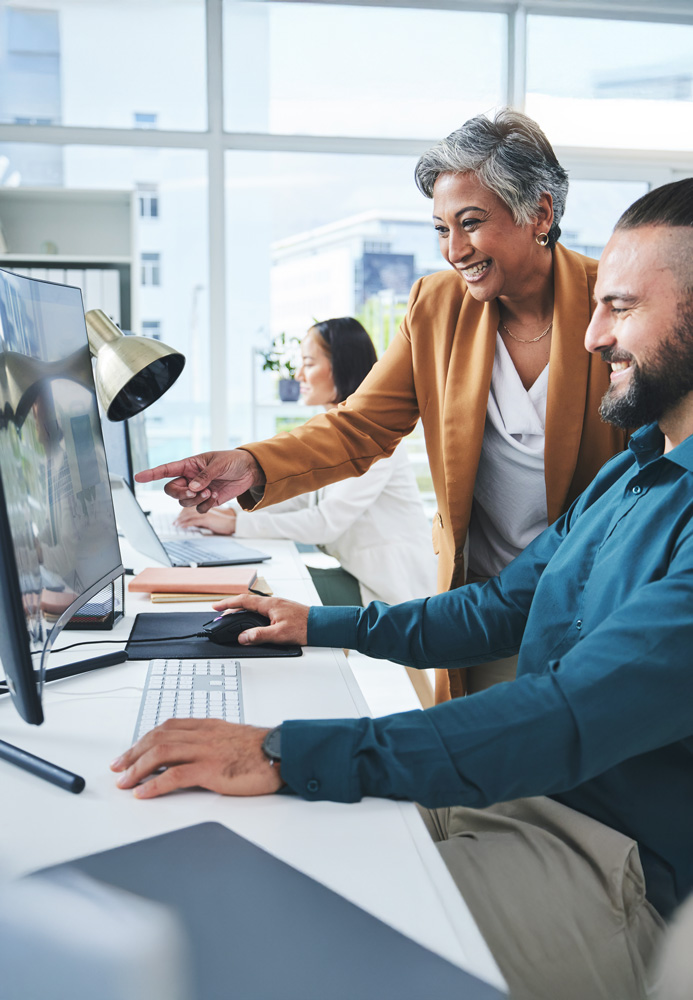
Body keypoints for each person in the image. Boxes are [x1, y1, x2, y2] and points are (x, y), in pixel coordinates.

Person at [113, 179, 693, 1000]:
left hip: (615, 858)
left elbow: (570, 713)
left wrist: (281, 749)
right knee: (248, 855)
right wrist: (318, 624)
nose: (592, 336)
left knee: (282, 954)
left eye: (622, 309)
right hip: (527, 796)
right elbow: (496, 607)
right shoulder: (629, 470)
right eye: (596, 306)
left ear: (538, 218)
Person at [135, 108, 627, 703]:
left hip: (597, 600)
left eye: (471, 223)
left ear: (540, 213)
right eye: (442, 229)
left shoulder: (616, 304)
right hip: (480, 602)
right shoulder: (437, 305)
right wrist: (250, 463)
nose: (455, 250)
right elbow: (361, 424)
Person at [174, 317, 437, 610]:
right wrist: (228, 509)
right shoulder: (331, 434)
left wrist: (237, 523)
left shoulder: (376, 441)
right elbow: (299, 500)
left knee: (262, 593)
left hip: (393, 589)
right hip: (361, 575)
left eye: (309, 363)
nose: (298, 374)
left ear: (343, 365)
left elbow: (325, 523)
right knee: (257, 585)